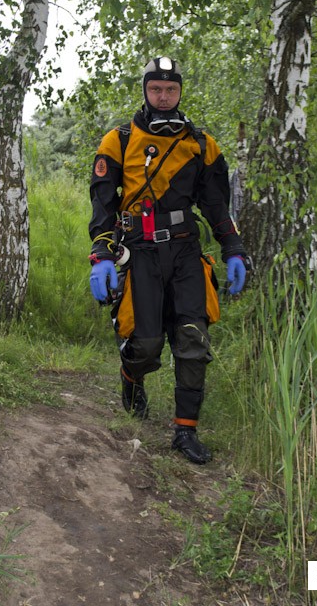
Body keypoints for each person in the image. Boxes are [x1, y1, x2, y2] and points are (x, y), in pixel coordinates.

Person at [88, 56, 251, 464]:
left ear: (180, 91)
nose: (164, 97)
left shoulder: (201, 144)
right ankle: (131, 379)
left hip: (185, 252)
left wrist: (232, 248)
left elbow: (217, 205)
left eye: (171, 90)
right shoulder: (118, 141)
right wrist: (102, 257)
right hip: (139, 252)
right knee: (144, 345)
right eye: (156, 89)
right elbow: (103, 206)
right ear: (145, 90)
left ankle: (185, 432)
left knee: (193, 341)